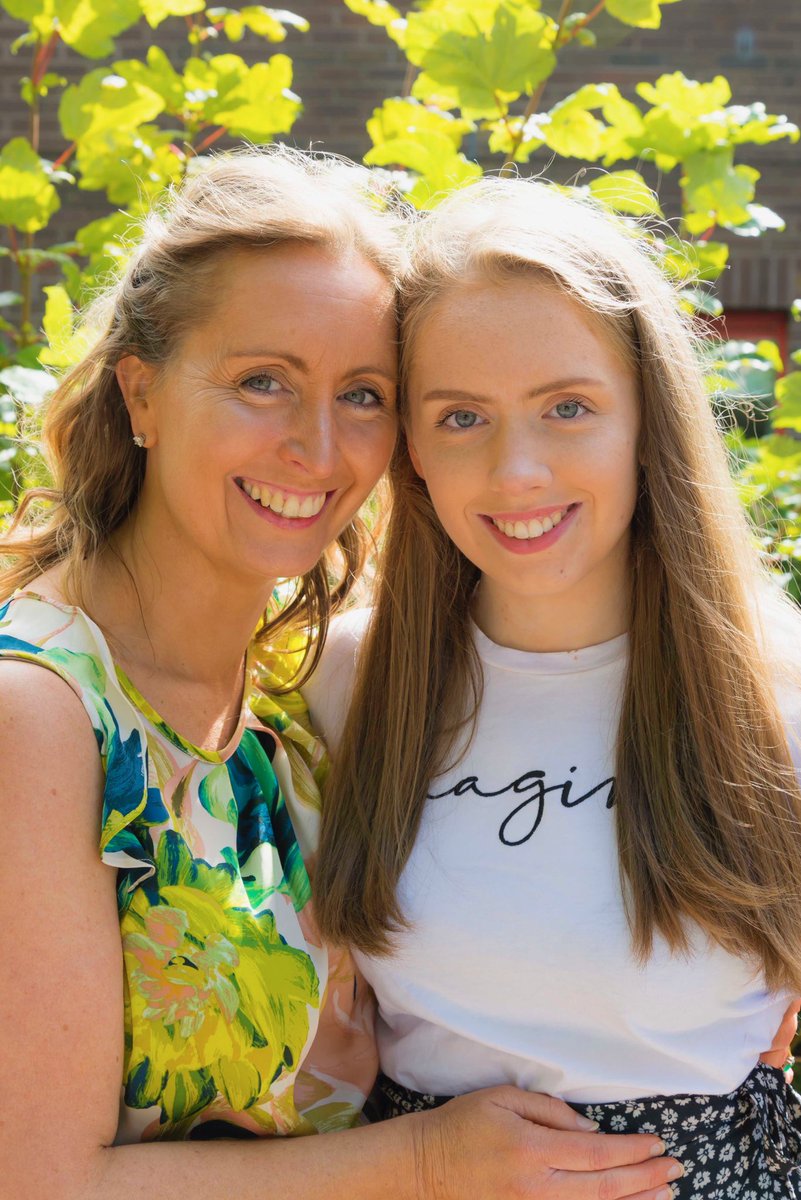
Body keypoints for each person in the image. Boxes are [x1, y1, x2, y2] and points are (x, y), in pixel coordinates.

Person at [0, 148, 689, 1200]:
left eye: (362, 395)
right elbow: (37, 1181)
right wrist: (421, 1162)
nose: (317, 450)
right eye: (262, 382)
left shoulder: (296, 700)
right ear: (140, 394)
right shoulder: (37, 715)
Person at [307, 176, 801, 1197]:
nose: (518, 471)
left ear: (646, 419)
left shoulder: (777, 686)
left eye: (568, 407)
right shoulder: (337, 688)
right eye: (460, 417)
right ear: (411, 453)